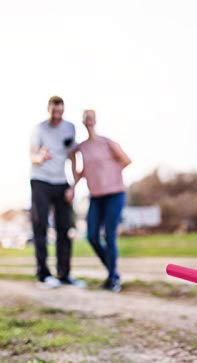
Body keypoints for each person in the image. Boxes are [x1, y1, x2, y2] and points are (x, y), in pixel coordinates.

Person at [67, 110, 131, 292]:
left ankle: (113, 278)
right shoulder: (82, 147)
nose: (88, 121)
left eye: (90, 118)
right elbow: (77, 165)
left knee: (109, 235)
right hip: (95, 196)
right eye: (85, 118)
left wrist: (109, 172)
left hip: (114, 194)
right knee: (92, 236)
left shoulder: (107, 142)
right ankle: (114, 271)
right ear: (82, 122)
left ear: (95, 120)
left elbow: (126, 160)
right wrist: (72, 187)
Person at [30, 96, 85, 289]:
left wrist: (72, 186)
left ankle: (64, 274)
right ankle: (43, 274)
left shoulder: (69, 127)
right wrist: (41, 157)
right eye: (53, 112)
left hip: (61, 181)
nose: (57, 116)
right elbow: (33, 156)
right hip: (41, 181)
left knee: (64, 228)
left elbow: (72, 156)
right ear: (48, 110)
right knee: (41, 226)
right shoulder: (39, 129)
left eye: (60, 112)